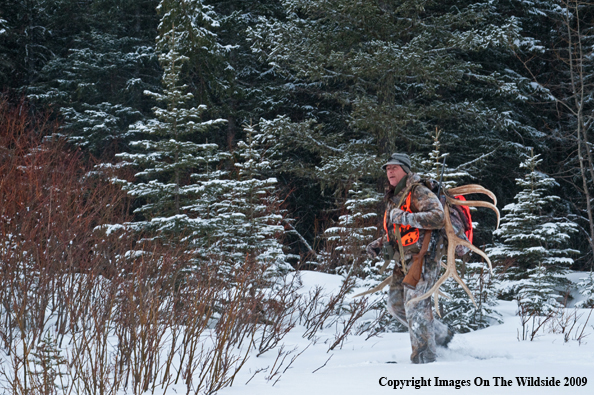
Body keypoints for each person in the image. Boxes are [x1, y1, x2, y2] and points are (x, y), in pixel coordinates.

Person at [366, 153, 453, 364]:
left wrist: (404, 217)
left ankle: (424, 360)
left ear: (405, 169)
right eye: (387, 168)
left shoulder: (418, 191)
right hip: (403, 259)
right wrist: (378, 244)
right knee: (396, 306)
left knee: (415, 306)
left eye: (394, 168)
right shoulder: (395, 196)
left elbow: (438, 217)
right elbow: (398, 230)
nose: (390, 171)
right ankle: (441, 335)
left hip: (422, 257)